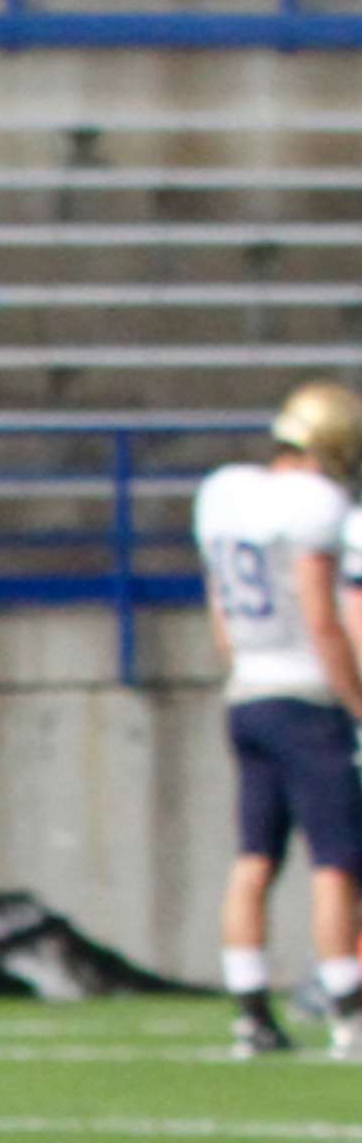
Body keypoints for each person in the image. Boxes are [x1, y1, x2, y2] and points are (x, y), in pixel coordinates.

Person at [193, 381, 362, 1061]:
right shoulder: (317, 504)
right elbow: (323, 619)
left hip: (248, 692)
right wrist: (356, 701)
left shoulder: (227, 491)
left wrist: (242, 663)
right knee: (336, 863)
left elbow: (219, 609)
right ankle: (348, 1013)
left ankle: (249, 1011)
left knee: (254, 858)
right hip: (303, 695)